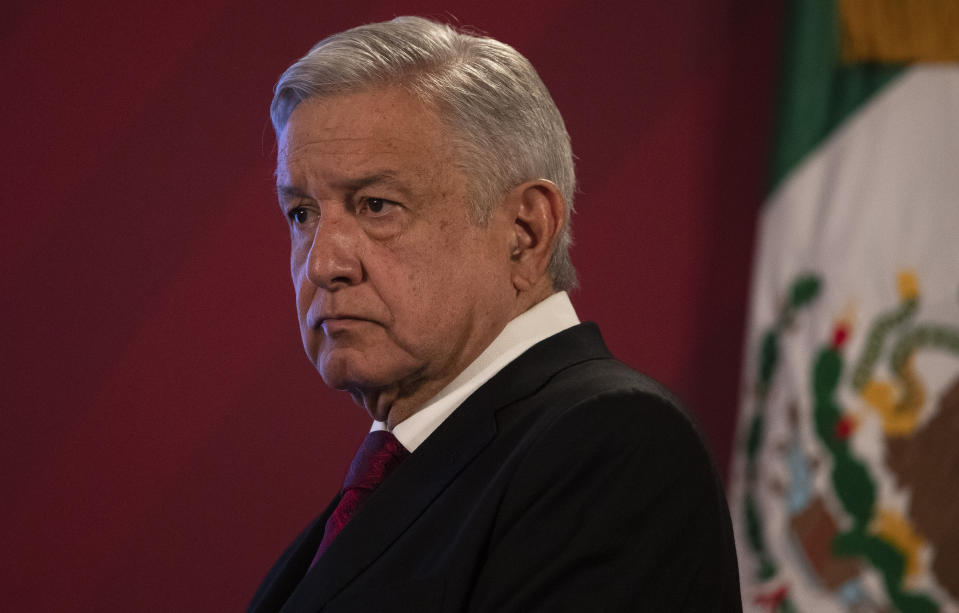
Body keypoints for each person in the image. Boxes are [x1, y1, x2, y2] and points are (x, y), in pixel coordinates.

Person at [249, 16, 741, 612]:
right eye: (302, 213)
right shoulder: (404, 467)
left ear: (525, 232)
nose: (324, 262)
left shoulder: (611, 445)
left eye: (376, 205)